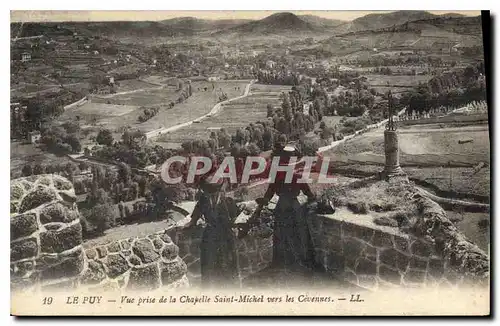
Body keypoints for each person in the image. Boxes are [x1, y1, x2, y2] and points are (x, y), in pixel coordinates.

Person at [254, 142, 316, 274]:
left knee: (281, 234)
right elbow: (308, 192)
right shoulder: (297, 174)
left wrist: (263, 202)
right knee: (298, 233)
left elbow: (270, 192)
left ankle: (282, 262)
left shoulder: (278, 173)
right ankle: (300, 262)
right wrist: (313, 198)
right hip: (294, 206)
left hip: (281, 206)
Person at [184, 173, 241, 289]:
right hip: (218, 236)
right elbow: (195, 217)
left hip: (218, 236)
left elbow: (193, 220)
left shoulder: (218, 201)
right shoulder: (212, 201)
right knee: (218, 265)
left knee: (219, 265)